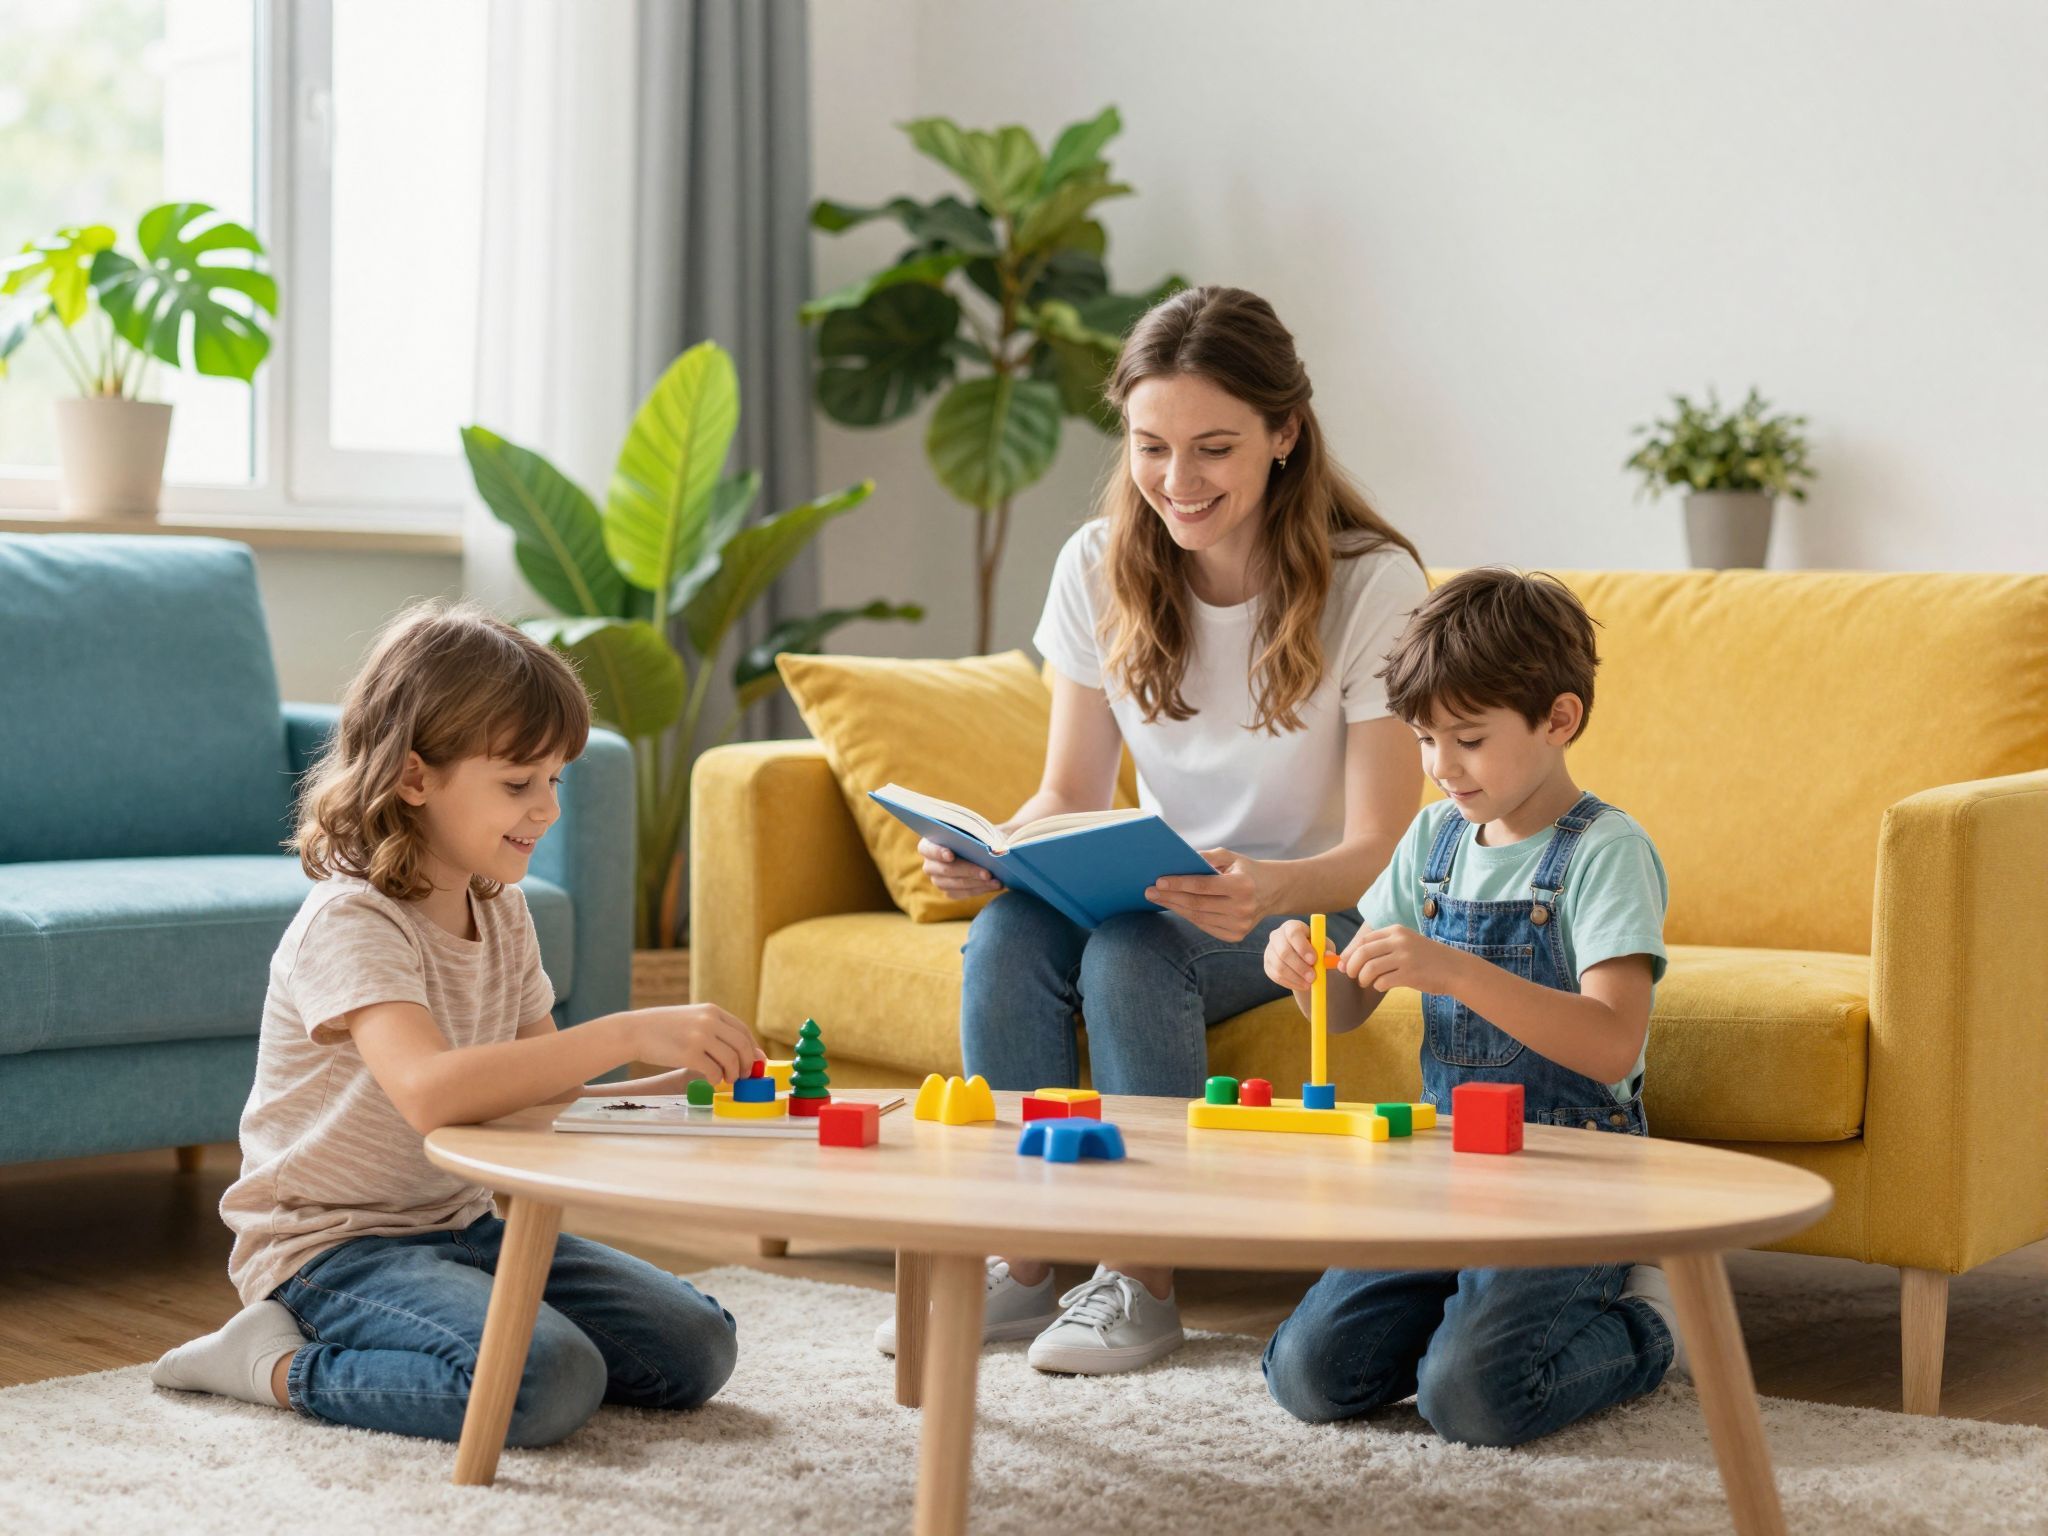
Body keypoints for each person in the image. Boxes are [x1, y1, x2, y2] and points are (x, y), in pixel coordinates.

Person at [875, 285, 1429, 1374]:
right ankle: (1028, 1258)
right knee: (1007, 936)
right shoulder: (1096, 564)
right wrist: (994, 851)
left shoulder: (1371, 583)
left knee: (1133, 953)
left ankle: (1141, 1276)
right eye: (1150, 446)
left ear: (1283, 434)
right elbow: (1067, 787)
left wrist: (1267, 889)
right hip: (1170, 885)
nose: (1177, 482)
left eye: (1213, 448)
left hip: (1315, 899)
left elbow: (1381, 843)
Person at [151, 603, 761, 1447]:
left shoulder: (501, 910)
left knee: (699, 1348)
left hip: (463, 1228)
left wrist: (695, 1092)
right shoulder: (353, 921)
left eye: (556, 779)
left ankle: (460, 1332)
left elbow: (548, 1102)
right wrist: (629, 1031)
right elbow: (432, 1094)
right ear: (413, 777)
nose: (546, 809)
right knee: (547, 1381)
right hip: (331, 1251)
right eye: (518, 783)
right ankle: (270, 1365)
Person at [1260, 566, 1684, 1444]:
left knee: (1473, 1400)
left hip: (1576, 1174)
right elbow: (1345, 1012)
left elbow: (1612, 1043)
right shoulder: (1432, 840)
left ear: (1558, 720)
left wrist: (1452, 969)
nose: (1440, 767)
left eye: (1469, 739)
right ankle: (1461, 1313)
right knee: (1306, 1374)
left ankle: (1647, 1326)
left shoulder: (1607, 852)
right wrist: (1310, 974)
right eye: (1423, 739)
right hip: (1452, 1167)